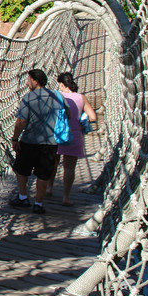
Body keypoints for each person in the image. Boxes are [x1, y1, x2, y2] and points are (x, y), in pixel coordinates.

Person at [9, 68, 69, 214]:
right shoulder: (57, 96)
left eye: (29, 79)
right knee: (43, 174)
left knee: (21, 170)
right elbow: (69, 114)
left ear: (35, 81)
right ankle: (38, 203)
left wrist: (15, 138)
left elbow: (22, 121)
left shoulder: (29, 98)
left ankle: (23, 197)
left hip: (30, 141)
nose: (27, 82)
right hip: (51, 143)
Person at [46, 72, 97, 206]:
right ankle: (66, 197)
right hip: (74, 136)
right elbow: (93, 117)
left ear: (62, 84)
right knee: (69, 168)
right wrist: (82, 117)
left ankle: (49, 188)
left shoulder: (56, 96)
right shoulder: (81, 97)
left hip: (56, 134)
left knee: (53, 162)